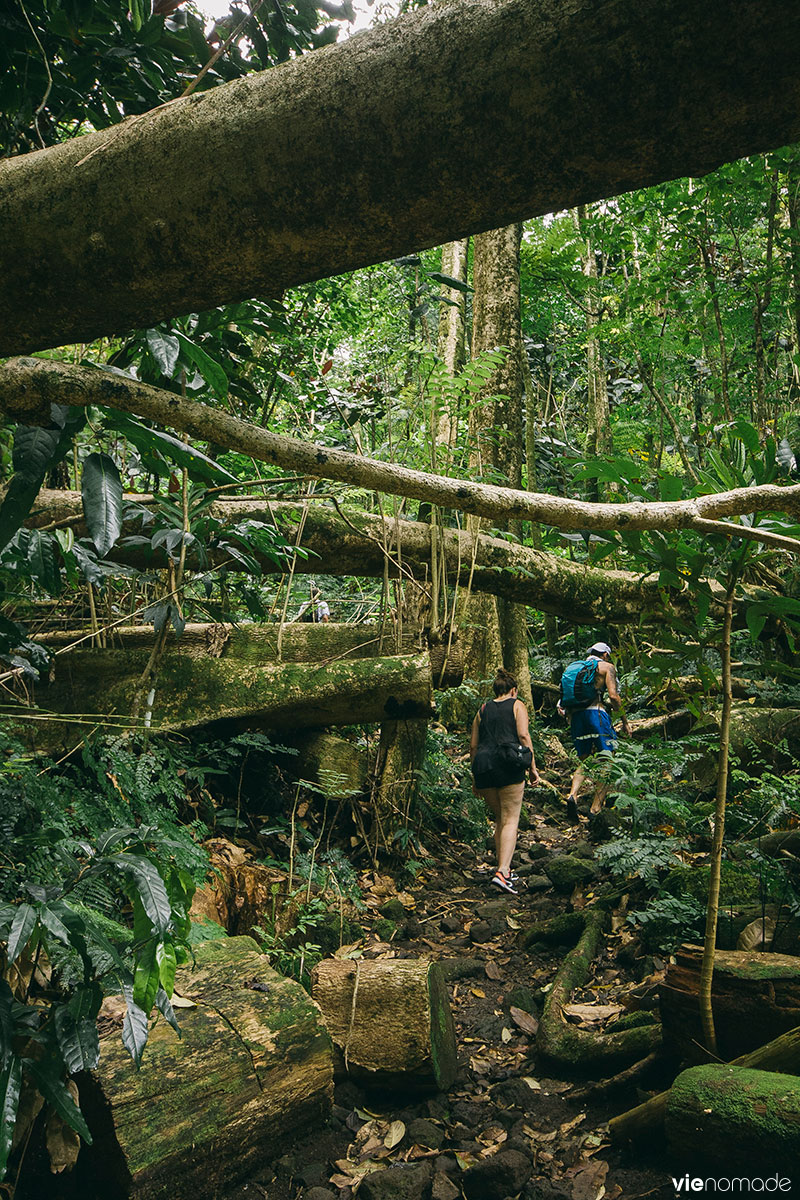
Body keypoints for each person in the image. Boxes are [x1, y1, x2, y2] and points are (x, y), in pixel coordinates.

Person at [470, 667, 541, 895]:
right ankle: (502, 871)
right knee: (511, 819)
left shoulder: (482, 710)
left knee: (500, 818)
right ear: (513, 690)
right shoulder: (517, 705)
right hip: (509, 763)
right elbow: (523, 736)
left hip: (484, 766)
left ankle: (502, 870)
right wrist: (532, 768)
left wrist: (475, 776)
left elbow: (473, 745)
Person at [558, 641, 630, 822]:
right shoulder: (606, 667)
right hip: (596, 714)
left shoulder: (575, 668)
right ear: (605, 654)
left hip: (576, 718)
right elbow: (613, 696)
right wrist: (624, 722)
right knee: (607, 761)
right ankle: (595, 809)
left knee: (587, 761)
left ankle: (572, 795)